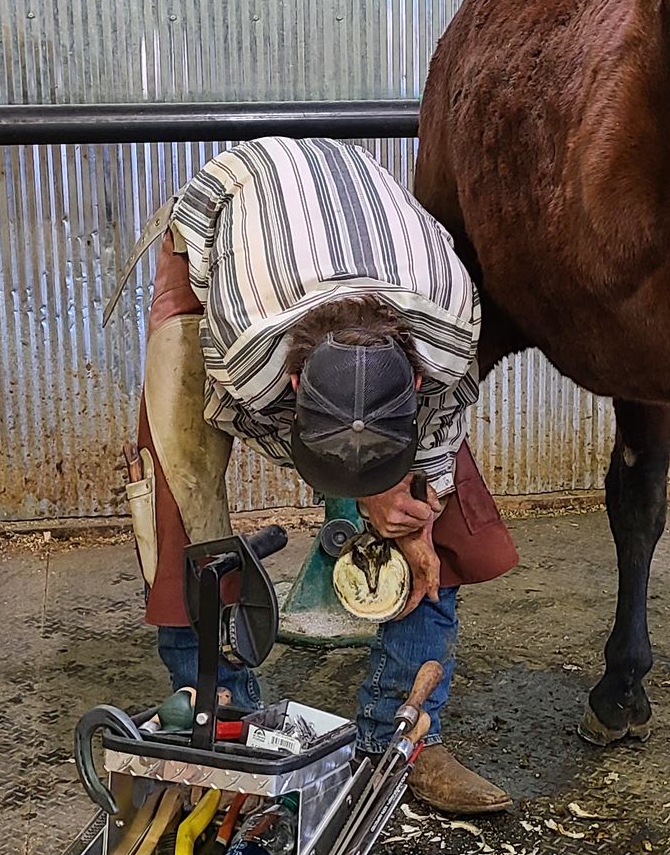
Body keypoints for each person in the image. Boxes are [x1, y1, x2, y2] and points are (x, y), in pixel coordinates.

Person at [128, 135, 516, 814]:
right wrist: (373, 492)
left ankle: (401, 740)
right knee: (183, 509)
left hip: (374, 251)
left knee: (434, 516)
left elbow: (444, 422)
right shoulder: (249, 350)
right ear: (298, 378)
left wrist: (416, 512)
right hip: (224, 227)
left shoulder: (452, 331)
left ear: (417, 375)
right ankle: (224, 736)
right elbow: (247, 417)